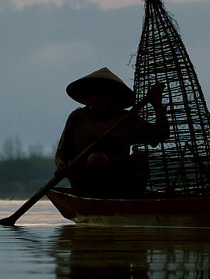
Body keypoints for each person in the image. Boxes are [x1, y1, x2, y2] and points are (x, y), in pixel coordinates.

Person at [55, 68, 169, 198]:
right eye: (96, 92)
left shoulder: (126, 118)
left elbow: (159, 136)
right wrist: (62, 166)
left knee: (140, 157)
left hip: (120, 178)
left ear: (114, 95)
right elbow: (61, 153)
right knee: (97, 158)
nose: (100, 96)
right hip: (86, 180)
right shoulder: (77, 117)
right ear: (88, 95)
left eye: (105, 92)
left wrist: (158, 107)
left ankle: (131, 197)